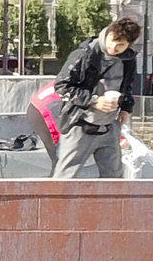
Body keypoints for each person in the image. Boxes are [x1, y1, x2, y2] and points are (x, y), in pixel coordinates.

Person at [50, 17, 142, 179]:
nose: (114, 47)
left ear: (129, 44)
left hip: (109, 125)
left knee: (114, 176)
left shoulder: (128, 59)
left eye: (121, 45)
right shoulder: (85, 54)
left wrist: (127, 107)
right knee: (66, 176)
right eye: (112, 41)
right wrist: (94, 101)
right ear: (107, 34)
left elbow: (128, 84)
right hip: (79, 123)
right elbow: (61, 86)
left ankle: (111, 204)